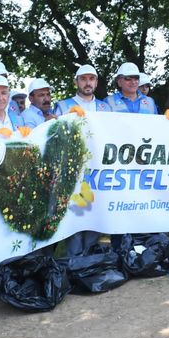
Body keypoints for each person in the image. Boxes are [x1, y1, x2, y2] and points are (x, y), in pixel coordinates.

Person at [55, 65, 110, 257]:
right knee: (75, 215)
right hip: (72, 169)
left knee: (95, 213)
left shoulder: (105, 107)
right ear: (76, 81)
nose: (88, 83)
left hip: (98, 168)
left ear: (96, 82)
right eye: (84, 79)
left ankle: (89, 262)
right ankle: (73, 262)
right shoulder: (62, 105)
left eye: (92, 79)